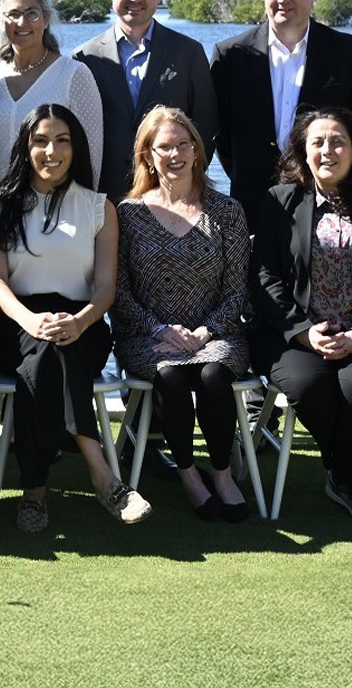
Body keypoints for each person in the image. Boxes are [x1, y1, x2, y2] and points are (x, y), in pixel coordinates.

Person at [0, 103, 151, 532]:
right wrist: (28, 320)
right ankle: (102, 474)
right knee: (42, 349)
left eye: (62, 141)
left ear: (76, 148)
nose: (51, 151)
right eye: (40, 140)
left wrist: (79, 321)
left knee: (53, 352)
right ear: (25, 146)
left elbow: (105, 288)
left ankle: (34, 492)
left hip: (84, 325)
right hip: (16, 323)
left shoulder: (99, 207)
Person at [249, 107, 352, 524]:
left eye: (338, 141)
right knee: (308, 386)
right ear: (303, 153)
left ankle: (346, 479)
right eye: (318, 142)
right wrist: (303, 332)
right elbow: (263, 275)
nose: (328, 150)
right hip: (295, 335)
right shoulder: (280, 201)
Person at [113, 107, 251, 521]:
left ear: (197, 150)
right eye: (164, 147)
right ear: (147, 156)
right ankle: (189, 475)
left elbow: (238, 291)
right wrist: (158, 329)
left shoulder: (227, 212)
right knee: (171, 375)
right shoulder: (128, 214)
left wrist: (205, 332)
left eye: (182, 144)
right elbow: (118, 292)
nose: (174, 154)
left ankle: (222, 474)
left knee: (211, 375)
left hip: (218, 334)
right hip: (147, 336)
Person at [211, 0, 352, 223]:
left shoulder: (349, 52)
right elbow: (220, 134)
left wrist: (334, 174)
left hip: (330, 201)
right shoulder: (230, 55)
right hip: (253, 201)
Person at [73, 0, 217, 199]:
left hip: (171, 195)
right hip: (102, 196)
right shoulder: (84, 58)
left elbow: (206, 126)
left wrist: (186, 180)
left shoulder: (188, 53)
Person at [0, 0, 104, 191]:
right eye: (13, 14)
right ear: (2, 22)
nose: (22, 22)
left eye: (31, 13)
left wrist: (81, 212)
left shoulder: (73, 74)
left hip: (54, 214)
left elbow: (91, 157)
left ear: (46, 19)